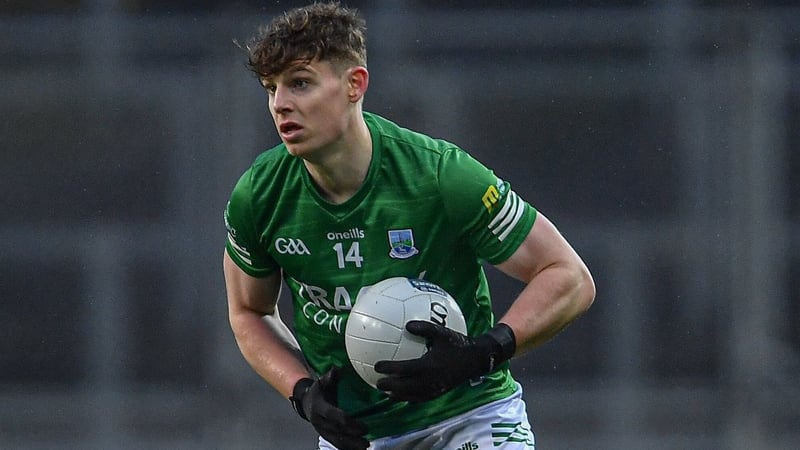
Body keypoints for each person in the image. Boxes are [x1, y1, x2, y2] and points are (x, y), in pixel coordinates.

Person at [222, 2, 595, 449]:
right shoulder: (259, 196)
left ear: (354, 85)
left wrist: (479, 354)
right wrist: (302, 392)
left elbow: (569, 277)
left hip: (470, 417)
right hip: (359, 437)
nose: (281, 104)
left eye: (300, 83)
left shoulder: (441, 175)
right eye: (271, 88)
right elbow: (249, 312)